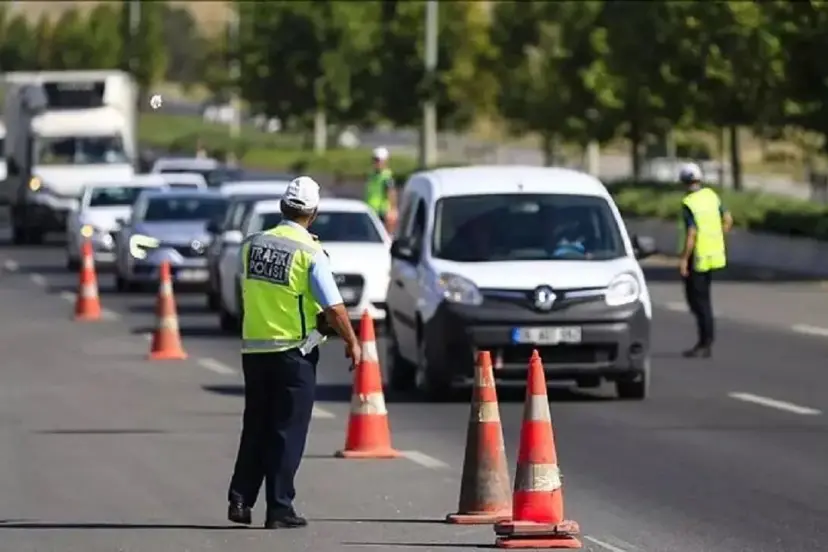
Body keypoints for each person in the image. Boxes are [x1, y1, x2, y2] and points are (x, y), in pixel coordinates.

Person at [227, 176, 362, 529]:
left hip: (254, 350)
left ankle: (240, 499)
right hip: (293, 352)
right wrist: (352, 341)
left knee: (255, 425)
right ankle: (279, 508)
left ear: (282, 208)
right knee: (287, 431)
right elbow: (333, 308)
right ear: (313, 214)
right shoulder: (310, 253)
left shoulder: (252, 245)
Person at [677, 162, 732, 358]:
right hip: (712, 255)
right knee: (704, 300)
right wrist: (717, 237)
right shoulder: (711, 196)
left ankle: (705, 342)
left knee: (698, 302)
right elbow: (728, 219)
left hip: (697, 257)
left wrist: (684, 259)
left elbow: (691, 233)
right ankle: (706, 341)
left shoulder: (689, 203)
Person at [365, 146, 398, 233]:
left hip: (382, 212)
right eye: (375, 160)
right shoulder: (372, 175)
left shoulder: (386, 177)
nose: (376, 163)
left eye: (378, 160)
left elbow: (391, 193)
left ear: (384, 161)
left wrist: (392, 210)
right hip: (370, 210)